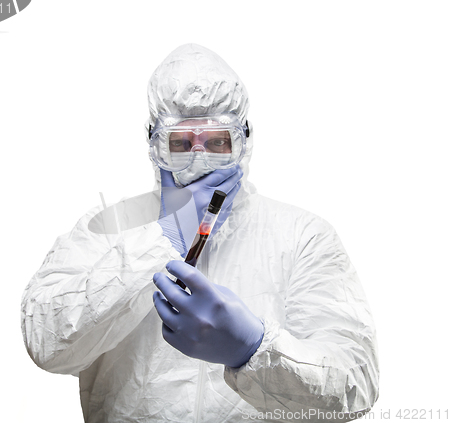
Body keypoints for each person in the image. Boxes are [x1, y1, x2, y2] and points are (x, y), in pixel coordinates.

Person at [21, 44, 379, 423]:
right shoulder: (110, 226)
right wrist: (162, 240)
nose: (199, 160)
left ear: (243, 140)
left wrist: (254, 350)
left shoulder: (301, 235)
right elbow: (48, 345)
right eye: (180, 144)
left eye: (216, 142)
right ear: (155, 144)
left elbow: (354, 388)